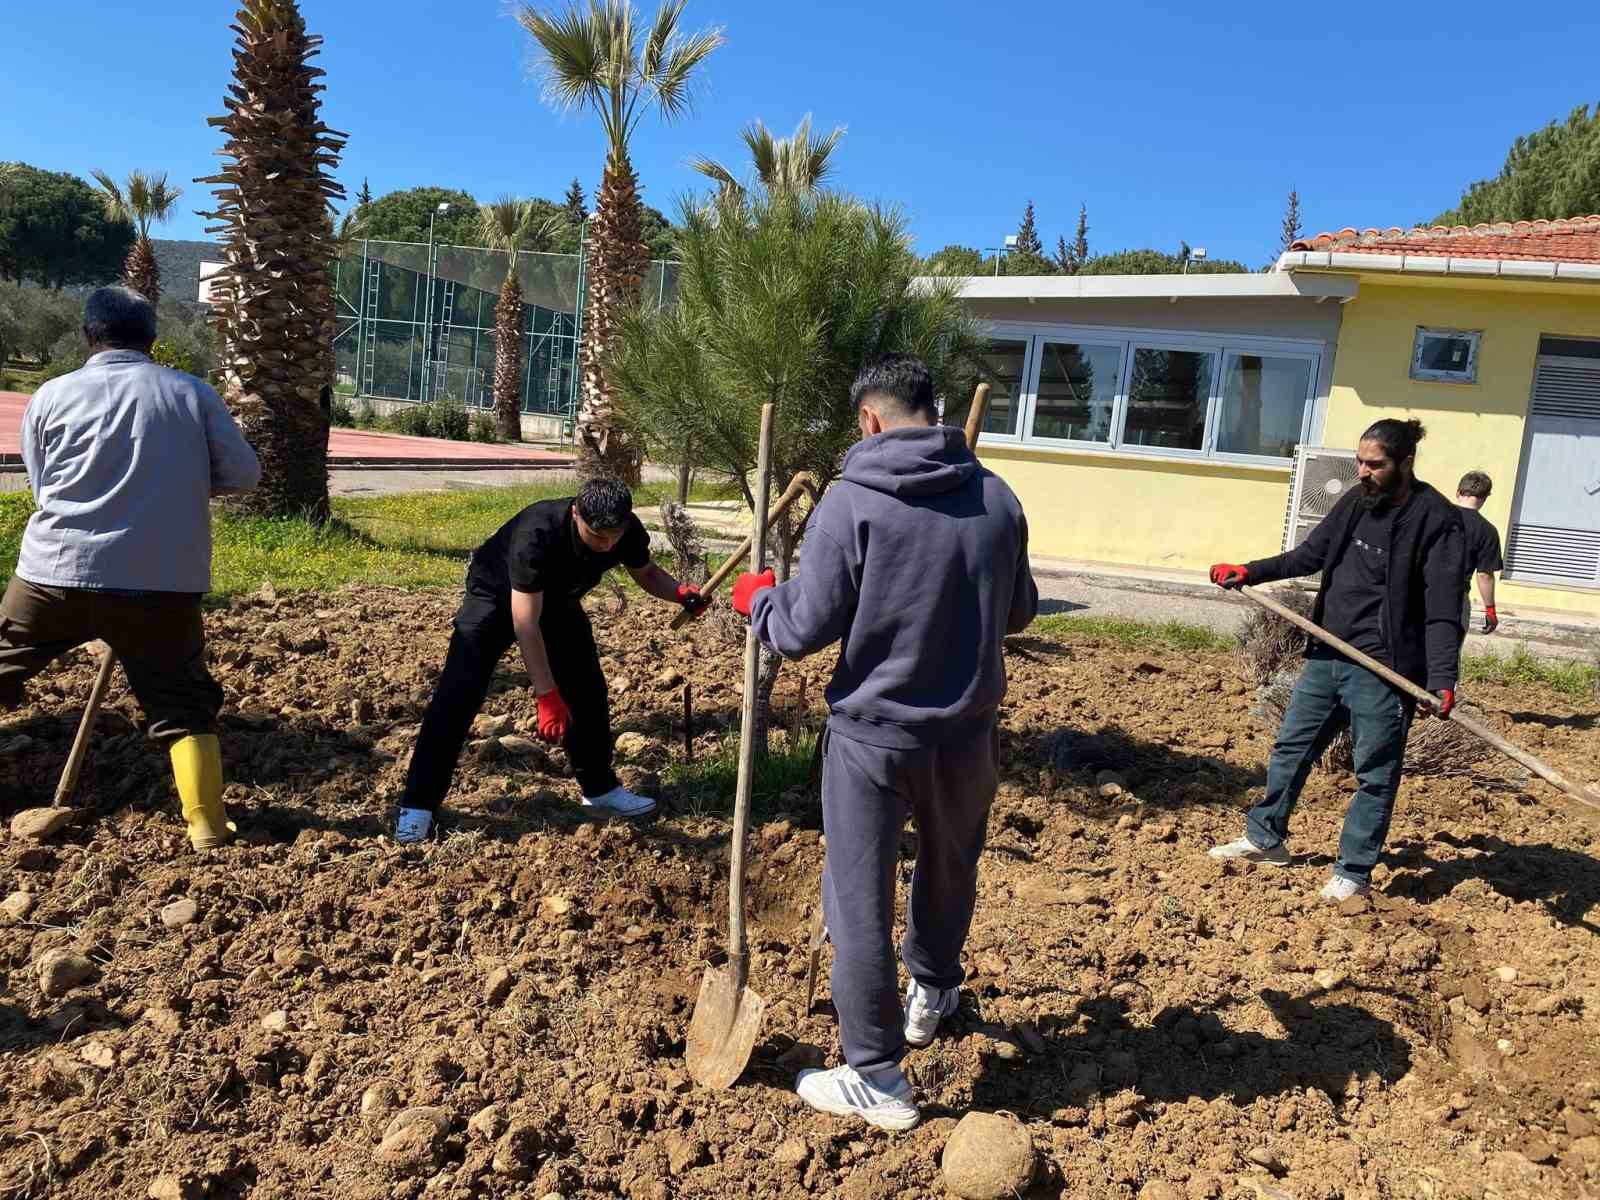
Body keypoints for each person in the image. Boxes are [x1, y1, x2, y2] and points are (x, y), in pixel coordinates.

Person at [730, 354, 1038, 1131]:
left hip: (874, 739)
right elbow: (1022, 611)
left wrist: (761, 600)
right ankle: (931, 991)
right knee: (948, 868)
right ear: (931, 411)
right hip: (968, 737)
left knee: (857, 902)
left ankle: (876, 1077)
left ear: (869, 419)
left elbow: (800, 630)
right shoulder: (998, 500)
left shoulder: (851, 502)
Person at [4, 286, 261, 851]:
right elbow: (245, 474)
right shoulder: (191, 394)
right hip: (161, 585)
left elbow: (43, 483)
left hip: (52, 573)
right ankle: (207, 826)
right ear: (151, 337)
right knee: (182, 702)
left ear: (88, 335)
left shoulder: (51, 394)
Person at [1207, 418, 1464, 901]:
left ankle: (1353, 871)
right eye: (1359, 462)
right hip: (1328, 653)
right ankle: (1267, 838)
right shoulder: (1355, 501)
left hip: (1384, 670)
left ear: (1405, 463)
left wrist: (1443, 677)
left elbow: (1444, 609)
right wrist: (1251, 570)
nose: (1362, 472)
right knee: (1291, 748)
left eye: (1375, 464)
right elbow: (1309, 556)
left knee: (1375, 772)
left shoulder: (1437, 521)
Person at [393, 479, 707, 843]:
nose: (607, 545)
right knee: (458, 693)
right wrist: (546, 694)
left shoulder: (626, 529)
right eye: (597, 535)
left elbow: (647, 573)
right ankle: (418, 805)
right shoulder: (537, 533)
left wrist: (680, 594)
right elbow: (526, 623)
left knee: (587, 690)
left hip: (558, 600)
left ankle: (600, 790)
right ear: (576, 514)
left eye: (614, 536)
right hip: (493, 597)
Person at [1455, 470, 1503, 636]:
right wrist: (1490, 611)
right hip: (1454, 599)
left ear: (1458, 491)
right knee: (1446, 657)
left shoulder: (1433, 515)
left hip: (1417, 592)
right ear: (1485, 497)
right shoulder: (1487, 531)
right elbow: (1484, 575)